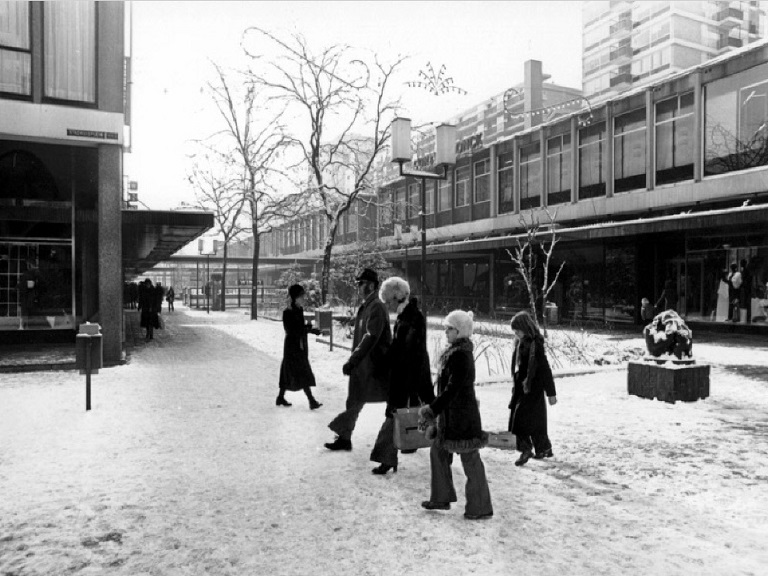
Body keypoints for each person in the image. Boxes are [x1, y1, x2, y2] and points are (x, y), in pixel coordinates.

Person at [418, 310, 493, 521]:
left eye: (449, 328)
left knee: (470, 459)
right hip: (452, 416)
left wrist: (432, 409)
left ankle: (480, 506)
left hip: (461, 417)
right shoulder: (454, 352)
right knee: (438, 452)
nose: (445, 332)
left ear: (459, 331)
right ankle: (441, 497)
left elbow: (452, 390)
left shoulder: (460, 355)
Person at [370, 277, 435, 475]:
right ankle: (443, 445)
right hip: (411, 374)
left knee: (395, 415)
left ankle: (387, 457)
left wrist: (385, 361)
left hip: (408, 375)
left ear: (397, 297)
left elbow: (404, 350)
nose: (387, 304)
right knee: (426, 410)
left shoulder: (411, 317)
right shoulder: (407, 314)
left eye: (388, 300)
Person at [325, 268, 392, 451]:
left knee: (391, 406)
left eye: (361, 284)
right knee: (354, 400)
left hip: (373, 367)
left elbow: (370, 336)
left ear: (370, 285)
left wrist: (353, 360)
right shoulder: (368, 305)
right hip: (364, 366)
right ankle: (344, 437)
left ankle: (404, 439)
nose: (358, 287)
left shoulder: (376, 306)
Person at [508, 310, 558, 466]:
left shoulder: (534, 345)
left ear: (524, 327)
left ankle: (526, 449)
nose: (515, 333)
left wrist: (551, 393)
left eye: (517, 329)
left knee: (519, 421)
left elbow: (544, 368)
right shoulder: (521, 342)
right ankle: (544, 448)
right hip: (523, 387)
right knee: (536, 421)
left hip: (532, 388)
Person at [277, 284, 323, 410]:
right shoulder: (288, 312)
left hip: (299, 345)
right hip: (292, 347)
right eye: (301, 296)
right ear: (295, 297)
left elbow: (300, 328)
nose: (304, 298)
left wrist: (311, 330)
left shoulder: (299, 310)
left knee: (289, 371)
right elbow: (291, 330)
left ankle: (280, 397)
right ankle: (311, 401)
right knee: (301, 371)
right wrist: (308, 329)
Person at [740, 259, 752, 324]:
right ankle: (746, 318)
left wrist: (743, 284)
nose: (740, 264)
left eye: (741, 263)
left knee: (747, 303)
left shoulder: (746, 271)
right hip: (745, 288)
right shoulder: (744, 270)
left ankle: (748, 318)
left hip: (746, 289)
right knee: (745, 303)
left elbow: (747, 280)